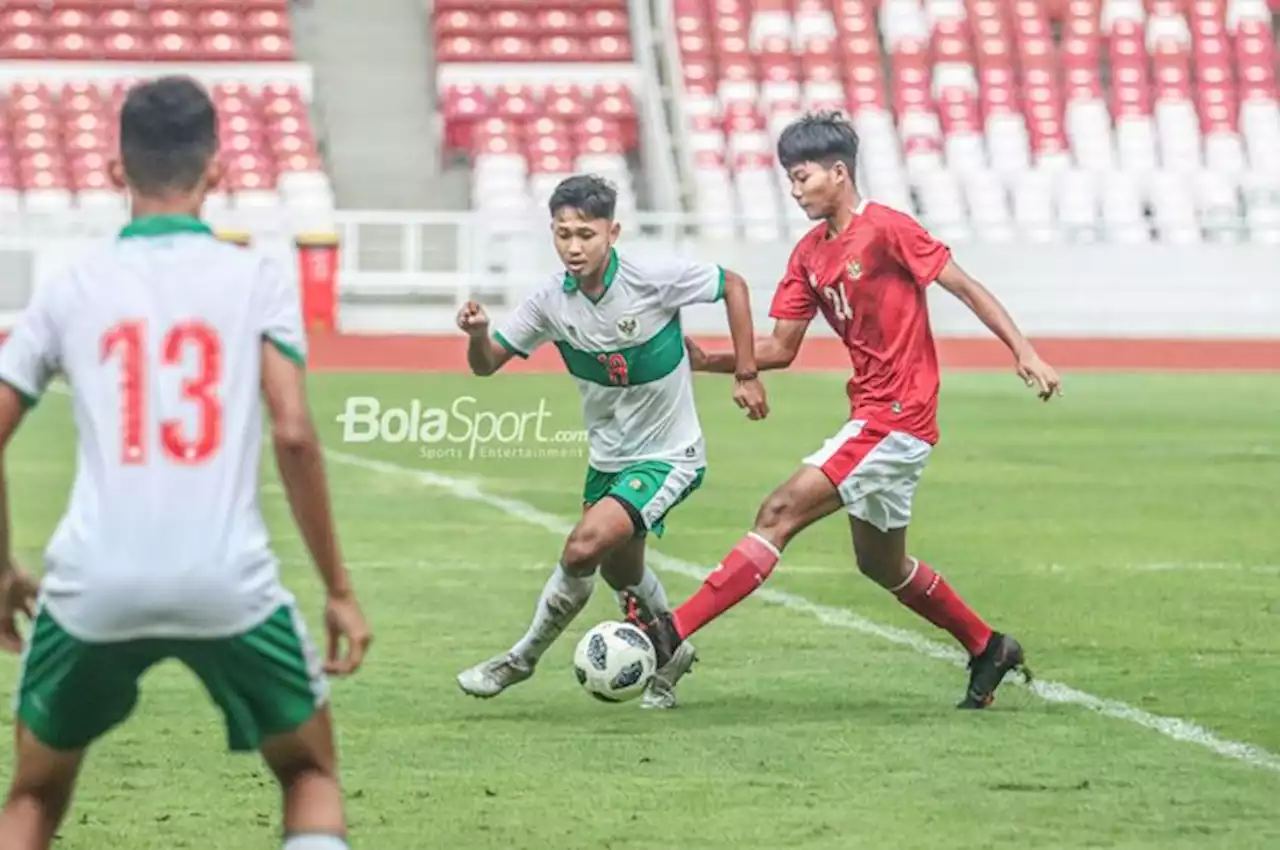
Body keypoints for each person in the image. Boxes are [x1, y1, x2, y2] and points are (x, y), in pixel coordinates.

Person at [0, 76, 371, 850]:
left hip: (91, 583)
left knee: (34, 795)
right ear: (219, 171)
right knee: (310, 776)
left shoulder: (70, 288)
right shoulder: (256, 281)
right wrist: (338, 588)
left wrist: (3, 566)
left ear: (114, 173)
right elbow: (295, 433)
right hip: (226, 578)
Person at [629, 111, 1063, 709]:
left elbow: (962, 285)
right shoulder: (809, 254)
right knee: (882, 564)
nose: (794, 188)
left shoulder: (886, 229)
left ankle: (669, 634)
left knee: (778, 510)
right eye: (788, 177)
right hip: (875, 417)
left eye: (803, 175)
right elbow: (780, 348)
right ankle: (988, 646)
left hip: (895, 417)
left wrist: (1024, 352)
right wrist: (709, 362)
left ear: (839, 172)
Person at [455, 173, 767, 709]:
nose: (573, 247)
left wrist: (744, 372)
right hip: (608, 461)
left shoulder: (652, 278)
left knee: (582, 548)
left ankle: (521, 659)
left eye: (586, 234)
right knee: (623, 572)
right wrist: (479, 334)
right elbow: (486, 367)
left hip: (671, 456)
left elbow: (733, 285)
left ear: (613, 232)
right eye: (562, 234)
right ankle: (672, 656)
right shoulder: (550, 301)